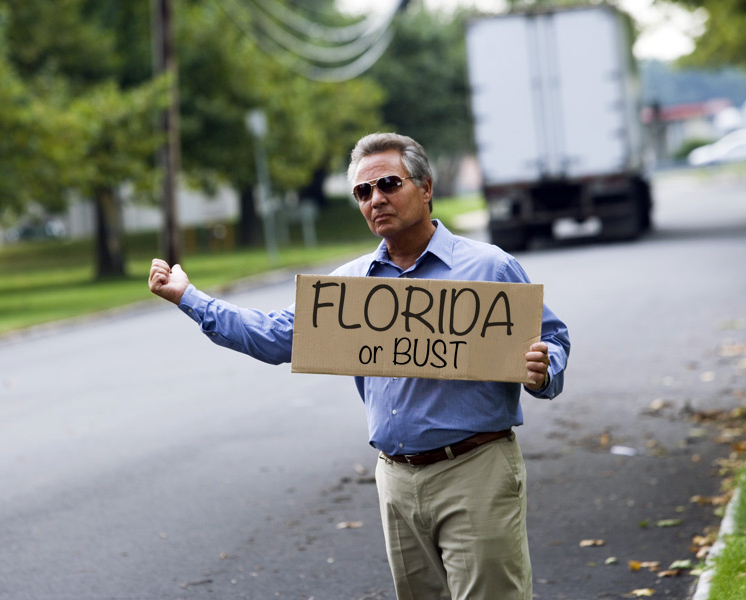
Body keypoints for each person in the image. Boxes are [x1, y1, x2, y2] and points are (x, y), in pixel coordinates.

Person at [149, 132, 570, 600]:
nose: (376, 199)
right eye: (363, 192)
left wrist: (545, 368)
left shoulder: (489, 267)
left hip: (475, 470)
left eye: (389, 183)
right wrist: (188, 297)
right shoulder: (350, 287)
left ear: (426, 188)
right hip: (395, 479)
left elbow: (551, 339)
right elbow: (271, 337)